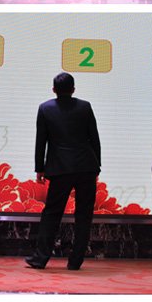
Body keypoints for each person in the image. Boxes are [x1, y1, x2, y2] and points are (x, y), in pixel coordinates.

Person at [25, 73, 101, 271]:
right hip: (86, 167)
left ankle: (40, 259)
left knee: (52, 213)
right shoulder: (85, 107)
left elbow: (41, 140)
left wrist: (39, 168)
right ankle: (75, 261)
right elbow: (94, 138)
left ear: (53, 90)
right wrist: (97, 166)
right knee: (84, 215)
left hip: (60, 168)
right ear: (73, 89)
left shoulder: (45, 108)